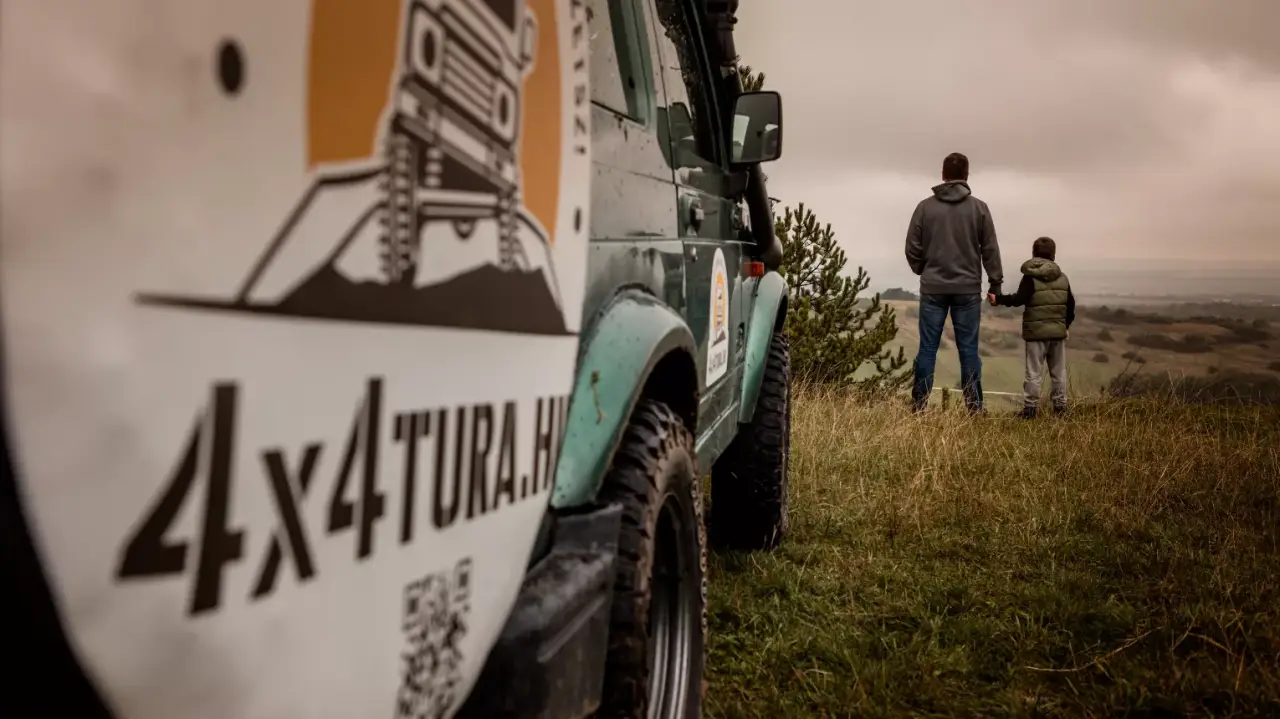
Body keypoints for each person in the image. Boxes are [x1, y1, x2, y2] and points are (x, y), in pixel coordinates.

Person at [905, 152, 1004, 413]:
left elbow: (912, 247)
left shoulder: (924, 208)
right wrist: (995, 284)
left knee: (927, 349)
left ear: (942, 175)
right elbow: (990, 249)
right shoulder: (979, 208)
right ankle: (974, 409)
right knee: (968, 350)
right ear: (967, 176)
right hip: (967, 290)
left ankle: (919, 407)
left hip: (933, 288)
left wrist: (923, 270)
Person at [993, 236, 1077, 418]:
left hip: (1036, 335)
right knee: (1059, 373)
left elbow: (1019, 299)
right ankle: (1061, 409)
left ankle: (1030, 410)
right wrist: (1065, 326)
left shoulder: (1030, 278)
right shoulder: (1063, 278)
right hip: (1058, 334)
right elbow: (1070, 306)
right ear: (1053, 254)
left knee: (1033, 373)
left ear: (1033, 253)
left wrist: (998, 299)